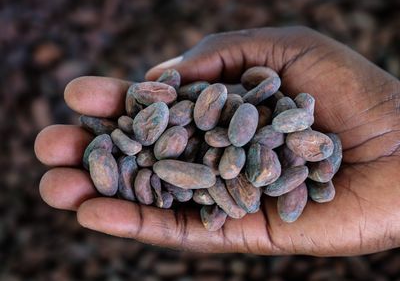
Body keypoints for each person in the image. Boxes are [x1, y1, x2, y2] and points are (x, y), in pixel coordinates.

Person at [34, 27, 400, 256]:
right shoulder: (158, 143)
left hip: (213, 163)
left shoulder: (271, 137)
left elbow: (233, 149)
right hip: (189, 161)